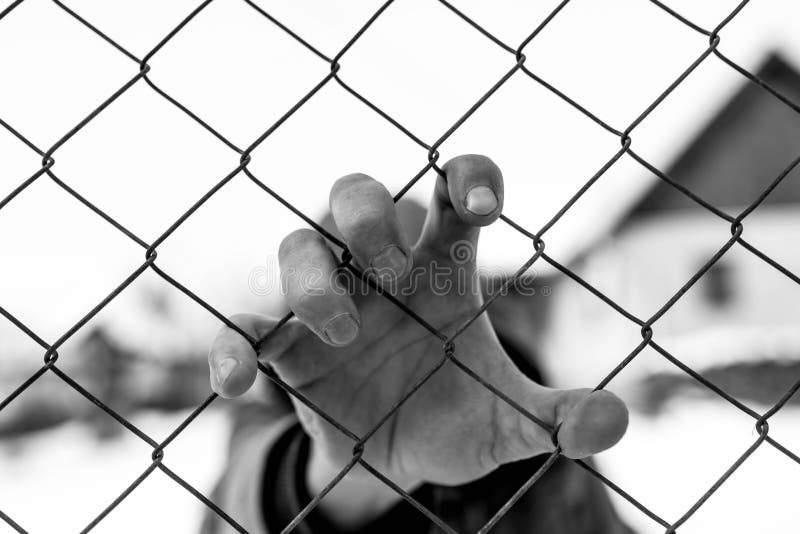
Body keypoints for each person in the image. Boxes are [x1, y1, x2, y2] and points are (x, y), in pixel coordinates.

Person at [201, 155, 632, 533]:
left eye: (431, 283)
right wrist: (345, 478)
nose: (397, 314)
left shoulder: (546, 438)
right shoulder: (257, 439)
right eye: (355, 285)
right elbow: (233, 511)